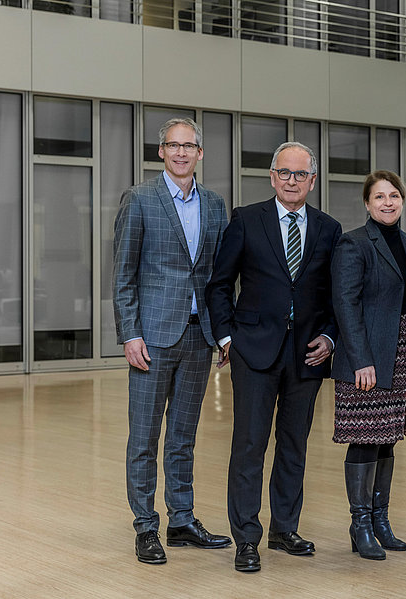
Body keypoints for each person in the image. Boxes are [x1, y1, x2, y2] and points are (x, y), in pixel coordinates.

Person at [205, 141, 342, 573]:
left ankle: (285, 528)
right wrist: (227, 338)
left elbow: (337, 296)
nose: (291, 181)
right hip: (254, 351)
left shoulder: (328, 228)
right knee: (249, 445)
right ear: (271, 176)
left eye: (300, 174)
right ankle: (246, 537)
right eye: (284, 172)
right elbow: (219, 285)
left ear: (313, 181)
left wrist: (330, 337)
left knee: (294, 445)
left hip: (307, 355)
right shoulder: (247, 219)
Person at [113, 117, 232, 564]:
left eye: (189, 146)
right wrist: (130, 333)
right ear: (160, 151)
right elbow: (122, 275)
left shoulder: (216, 205)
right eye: (172, 145)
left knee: (183, 437)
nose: (181, 153)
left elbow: (221, 279)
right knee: (144, 436)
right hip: (153, 339)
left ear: (201, 153)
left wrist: (223, 334)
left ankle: (181, 519)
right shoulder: (140, 199)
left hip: (199, 338)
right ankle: (146, 526)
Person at [330, 170, 406, 561]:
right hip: (368, 355)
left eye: (394, 196)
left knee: (388, 436)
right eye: (379, 197)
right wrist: (361, 360)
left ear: (403, 201)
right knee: (364, 436)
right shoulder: (352, 244)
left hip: (403, 351)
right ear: (367, 204)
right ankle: (360, 524)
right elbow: (345, 306)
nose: (387, 203)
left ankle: (381, 519)